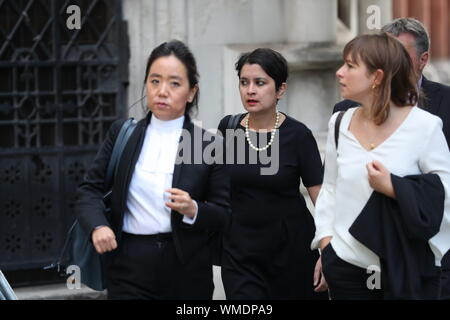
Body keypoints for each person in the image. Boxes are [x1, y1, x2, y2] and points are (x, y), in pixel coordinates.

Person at [74, 40, 230, 300]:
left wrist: (194, 209)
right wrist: (98, 226)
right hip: (129, 264)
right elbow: (89, 190)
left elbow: (224, 215)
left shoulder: (208, 144)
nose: (162, 91)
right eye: (155, 81)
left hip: (186, 269)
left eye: (174, 83)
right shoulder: (124, 134)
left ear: (192, 92)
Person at [313, 33, 450, 299]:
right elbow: (330, 188)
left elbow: (445, 197)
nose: (340, 72)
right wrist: (326, 243)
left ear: (376, 77)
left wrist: (394, 187)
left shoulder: (424, 126)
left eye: (350, 66)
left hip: (405, 271)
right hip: (346, 269)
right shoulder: (339, 122)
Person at [217, 48, 328, 300]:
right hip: (240, 255)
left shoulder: (299, 135)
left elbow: (321, 199)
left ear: (280, 90)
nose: (250, 90)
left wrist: (328, 253)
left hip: (292, 254)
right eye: (244, 82)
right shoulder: (228, 128)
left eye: (260, 83)